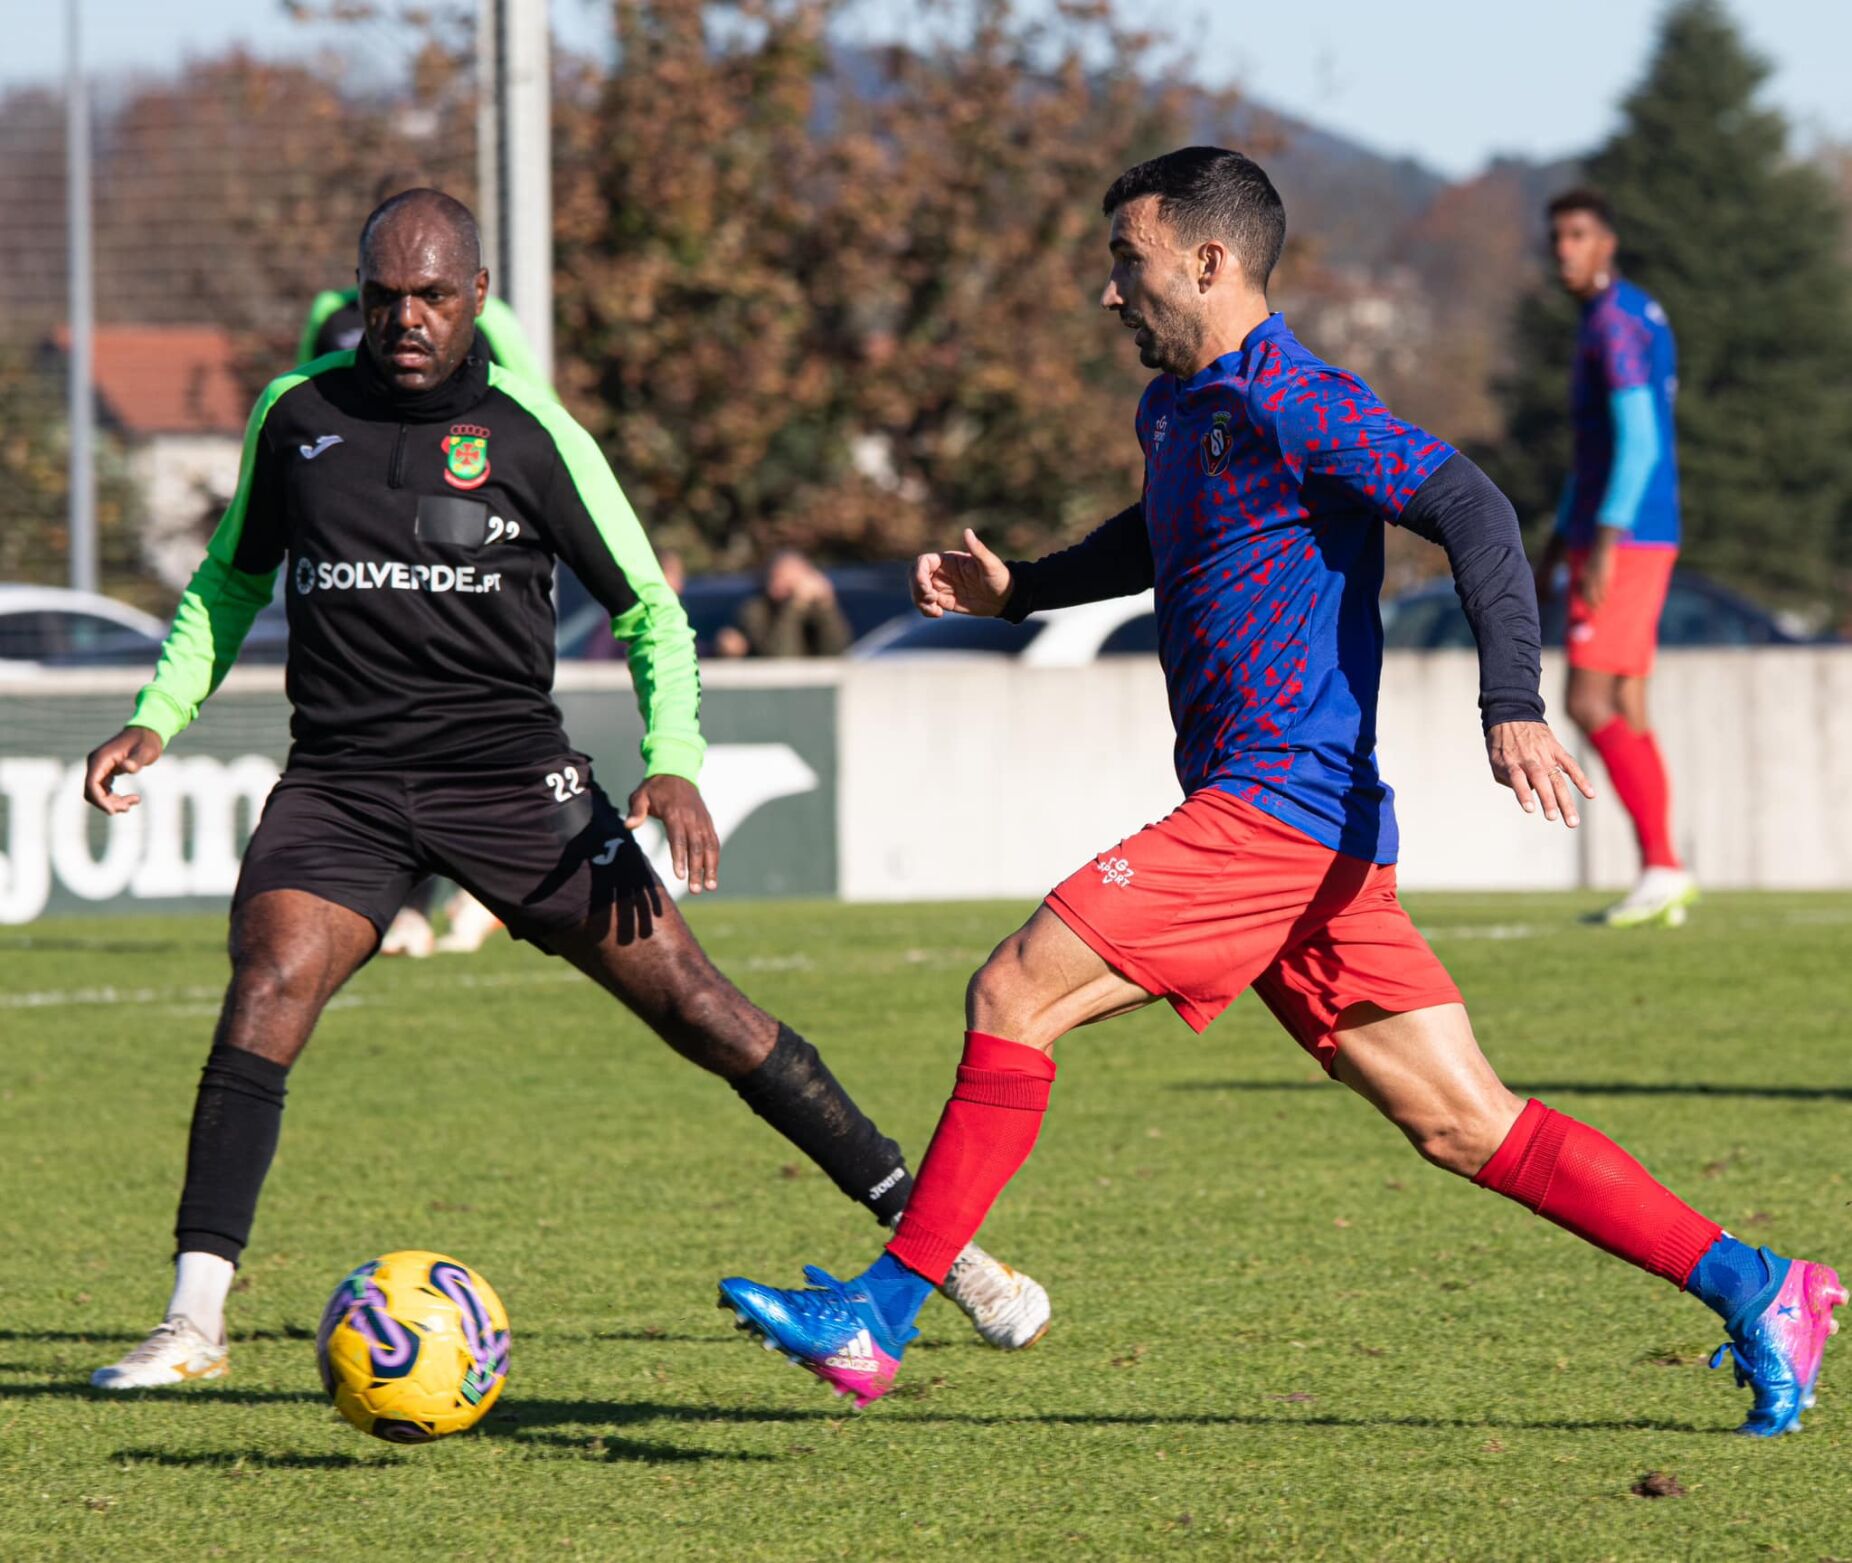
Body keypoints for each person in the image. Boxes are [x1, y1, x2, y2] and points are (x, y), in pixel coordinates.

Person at [717, 148, 1842, 1436]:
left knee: (1012, 992)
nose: (1106, 295)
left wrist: (1512, 705)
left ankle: (885, 1313)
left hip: (1274, 812)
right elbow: (1161, 533)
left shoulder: (1298, 396)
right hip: (1317, 841)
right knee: (1466, 1122)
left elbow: (1470, 508)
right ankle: (1762, 1287)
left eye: (1122, 263)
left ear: (1208, 262)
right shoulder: (1179, 410)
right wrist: (1021, 587)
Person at [82, 189, 1047, 1390]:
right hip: (344, 784)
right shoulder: (297, 416)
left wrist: (676, 760)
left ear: (477, 295)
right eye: (384, 298)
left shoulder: (532, 435)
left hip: (510, 787)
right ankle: (192, 1323)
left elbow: (651, 610)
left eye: (432, 296)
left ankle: (947, 1258)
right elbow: (228, 585)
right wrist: (153, 718)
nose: (406, 320)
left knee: (704, 1010)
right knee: (267, 986)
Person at [1533, 189, 1694, 928]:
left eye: (1577, 235)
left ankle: (1663, 864)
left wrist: (1601, 540)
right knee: (1625, 703)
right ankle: (1664, 869)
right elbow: (1599, 450)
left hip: (1628, 536)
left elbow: (1639, 440)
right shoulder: (1629, 313)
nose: (1563, 247)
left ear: (1607, 242)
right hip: (1637, 528)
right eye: (1557, 235)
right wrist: (1560, 536)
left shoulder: (1614, 322)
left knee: (1587, 700)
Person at [714, 549, 853, 658]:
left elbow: (838, 653)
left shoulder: (820, 609)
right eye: (775, 579)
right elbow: (782, 657)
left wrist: (826, 606)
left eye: (789, 583)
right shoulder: (756, 611)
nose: (777, 588)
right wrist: (794, 607)